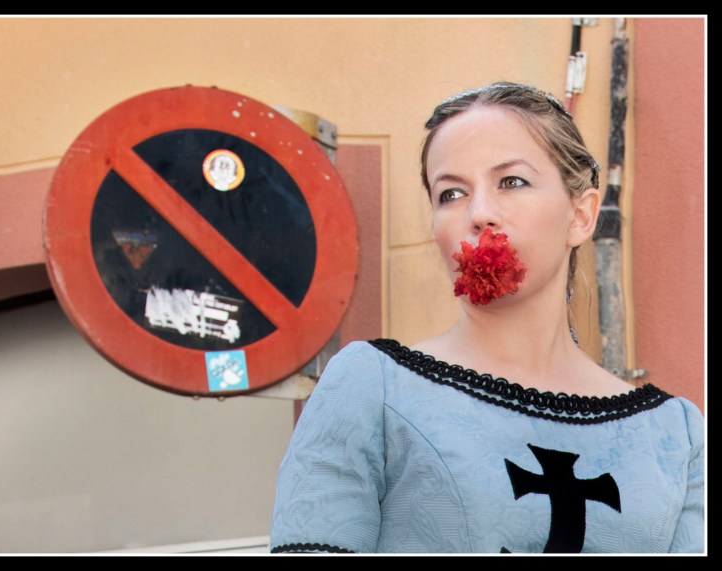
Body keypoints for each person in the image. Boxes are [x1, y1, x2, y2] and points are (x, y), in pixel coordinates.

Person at [269, 82, 704, 553]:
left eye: (511, 182)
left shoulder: (674, 435)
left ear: (580, 215)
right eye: (451, 193)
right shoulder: (372, 389)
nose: (479, 214)